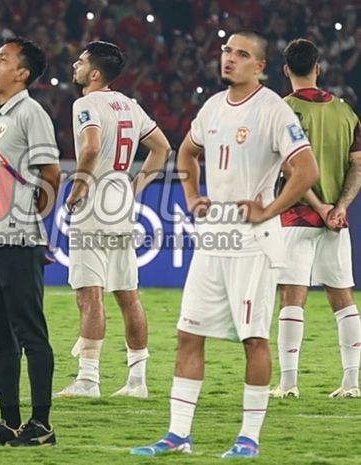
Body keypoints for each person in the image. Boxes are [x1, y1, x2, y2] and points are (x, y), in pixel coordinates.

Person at [131, 31, 318, 457]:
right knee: (188, 334)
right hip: (212, 241)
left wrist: (268, 211)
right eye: (226, 51)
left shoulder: (272, 110)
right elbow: (186, 152)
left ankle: (249, 438)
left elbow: (306, 171)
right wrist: (193, 195)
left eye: (241, 54)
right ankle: (178, 435)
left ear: (261, 67)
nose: (229, 58)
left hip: (253, 246)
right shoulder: (212, 107)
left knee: (254, 340)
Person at [57, 41, 171, 399]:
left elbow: (90, 147)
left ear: (94, 73)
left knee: (90, 293)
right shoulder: (130, 105)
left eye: (81, 61)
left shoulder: (86, 104)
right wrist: (137, 184)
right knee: (127, 293)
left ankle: (88, 380)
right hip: (121, 197)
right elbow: (162, 148)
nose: (74, 64)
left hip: (94, 201)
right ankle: (137, 381)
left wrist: (78, 187)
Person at [0, 38, 61, 447]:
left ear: (22, 74)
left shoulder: (31, 112)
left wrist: (26, 220)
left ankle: (41, 424)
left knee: (30, 332)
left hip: (16, 240)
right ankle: (8, 422)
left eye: (3, 59)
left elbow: (51, 173)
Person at [271, 38, 361, 399]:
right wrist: (340, 207)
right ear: (318, 68)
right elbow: (357, 166)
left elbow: (289, 167)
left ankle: (289, 384)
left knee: (292, 298)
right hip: (336, 223)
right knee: (343, 299)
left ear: (285, 70)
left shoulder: (281, 110)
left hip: (297, 218)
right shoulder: (346, 112)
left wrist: (320, 206)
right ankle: (352, 383)